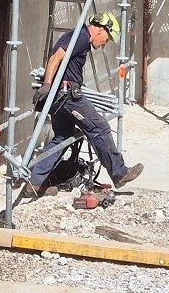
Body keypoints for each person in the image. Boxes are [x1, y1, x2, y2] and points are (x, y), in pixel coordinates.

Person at [23, 13, 142, 197]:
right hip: (67, 96)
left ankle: (35, 182)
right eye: (107, 39)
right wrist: (47, 85)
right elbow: (56, 58)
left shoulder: (80, 38)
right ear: (102, 29)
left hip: (59, 97)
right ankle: (120, 173)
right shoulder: (81, 36)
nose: (105, 44)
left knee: (62, 137)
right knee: (99, 128)